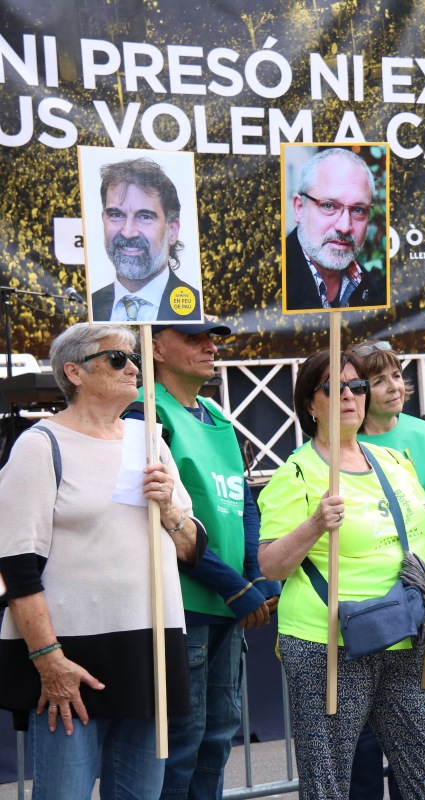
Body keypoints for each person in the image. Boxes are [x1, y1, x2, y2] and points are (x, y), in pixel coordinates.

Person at [0, 322, 204, 798]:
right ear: (74, 372)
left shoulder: (149, 440)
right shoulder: (40, 445)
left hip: (150, 652)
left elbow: (193, 549)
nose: (133, 366)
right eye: (116, 358)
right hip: (73, 658)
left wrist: (171, 510)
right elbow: (15, 563)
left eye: (133, 357)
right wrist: (49, 660)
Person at [256, 350, 425, 799]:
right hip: (326, 642)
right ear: (311, 403)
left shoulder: (395, 462)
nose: (349, 394)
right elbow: (271, 565)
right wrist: (313, 526)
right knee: (329, 783)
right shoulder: (296, 472)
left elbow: (419, 545)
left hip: (402, 633)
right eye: (334, 387)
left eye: (357, 386)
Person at [132, 319, 281, 800]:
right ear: (155, 347)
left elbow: (244, 504)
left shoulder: (217, 414)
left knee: (217, 741)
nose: (211, 348)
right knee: (182, 746)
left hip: (227, 607)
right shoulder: (145, 414)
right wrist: (237, 589)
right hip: (184, 609)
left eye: (212, 338)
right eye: (194, 339)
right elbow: (161, 520)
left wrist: (258, 577)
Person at [347, 339, 425, 800]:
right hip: (368, 607)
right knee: (360, 735)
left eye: (397, 375)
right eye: (378, 379)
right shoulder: (342, 444)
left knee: (422, 727)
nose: (393, 387)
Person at [90, 157, 202, 322]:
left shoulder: (200, 310)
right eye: (116, 215)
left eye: (144, 216)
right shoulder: (89, 308)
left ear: (172, 231)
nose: (128, 232)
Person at [285, 148, 387, 311]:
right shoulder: (269, 284)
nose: (344, 226)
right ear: (299, 208)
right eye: (329, 206)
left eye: (358, 210)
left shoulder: (370, 288)